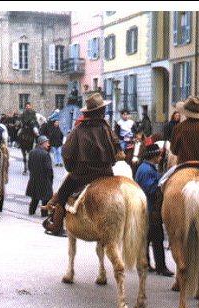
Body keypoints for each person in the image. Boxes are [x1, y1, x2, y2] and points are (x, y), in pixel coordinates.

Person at [43, 93, 118, 236]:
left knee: (63, 192)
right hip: (106, 173)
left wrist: (72, 169)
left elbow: (67, 153)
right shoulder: (106, 128)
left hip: (83, 175)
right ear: (100, 111)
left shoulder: (79, 129)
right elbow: (115, 149)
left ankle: (56, 225)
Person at [135, 143, 174, 277]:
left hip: (146, 208)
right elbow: (150, 188)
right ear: (155, 156)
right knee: (157, 239)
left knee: (147, 238)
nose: (160, 158)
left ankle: (144, 263)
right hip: (150, 209)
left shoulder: (145, 168)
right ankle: (160, 267)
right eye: (159, 155)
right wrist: (161, 180)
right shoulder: (147, 170)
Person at [170, 96, 199, 164]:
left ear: (186, 113)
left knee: (168, 175)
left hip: (183, 164)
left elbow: (174, 150)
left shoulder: (178, 128)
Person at [26, 135, 53, 218]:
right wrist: (50, 178)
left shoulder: (32, 152)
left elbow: (29, 166)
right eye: (47, 142)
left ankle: (31, 211)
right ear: (42, 143)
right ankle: (44, 213)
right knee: (45, 198)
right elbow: (48, 169)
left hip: (34, 178)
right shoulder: (45, 154)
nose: (48, 144)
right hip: (44, 179)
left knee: (35, 197)